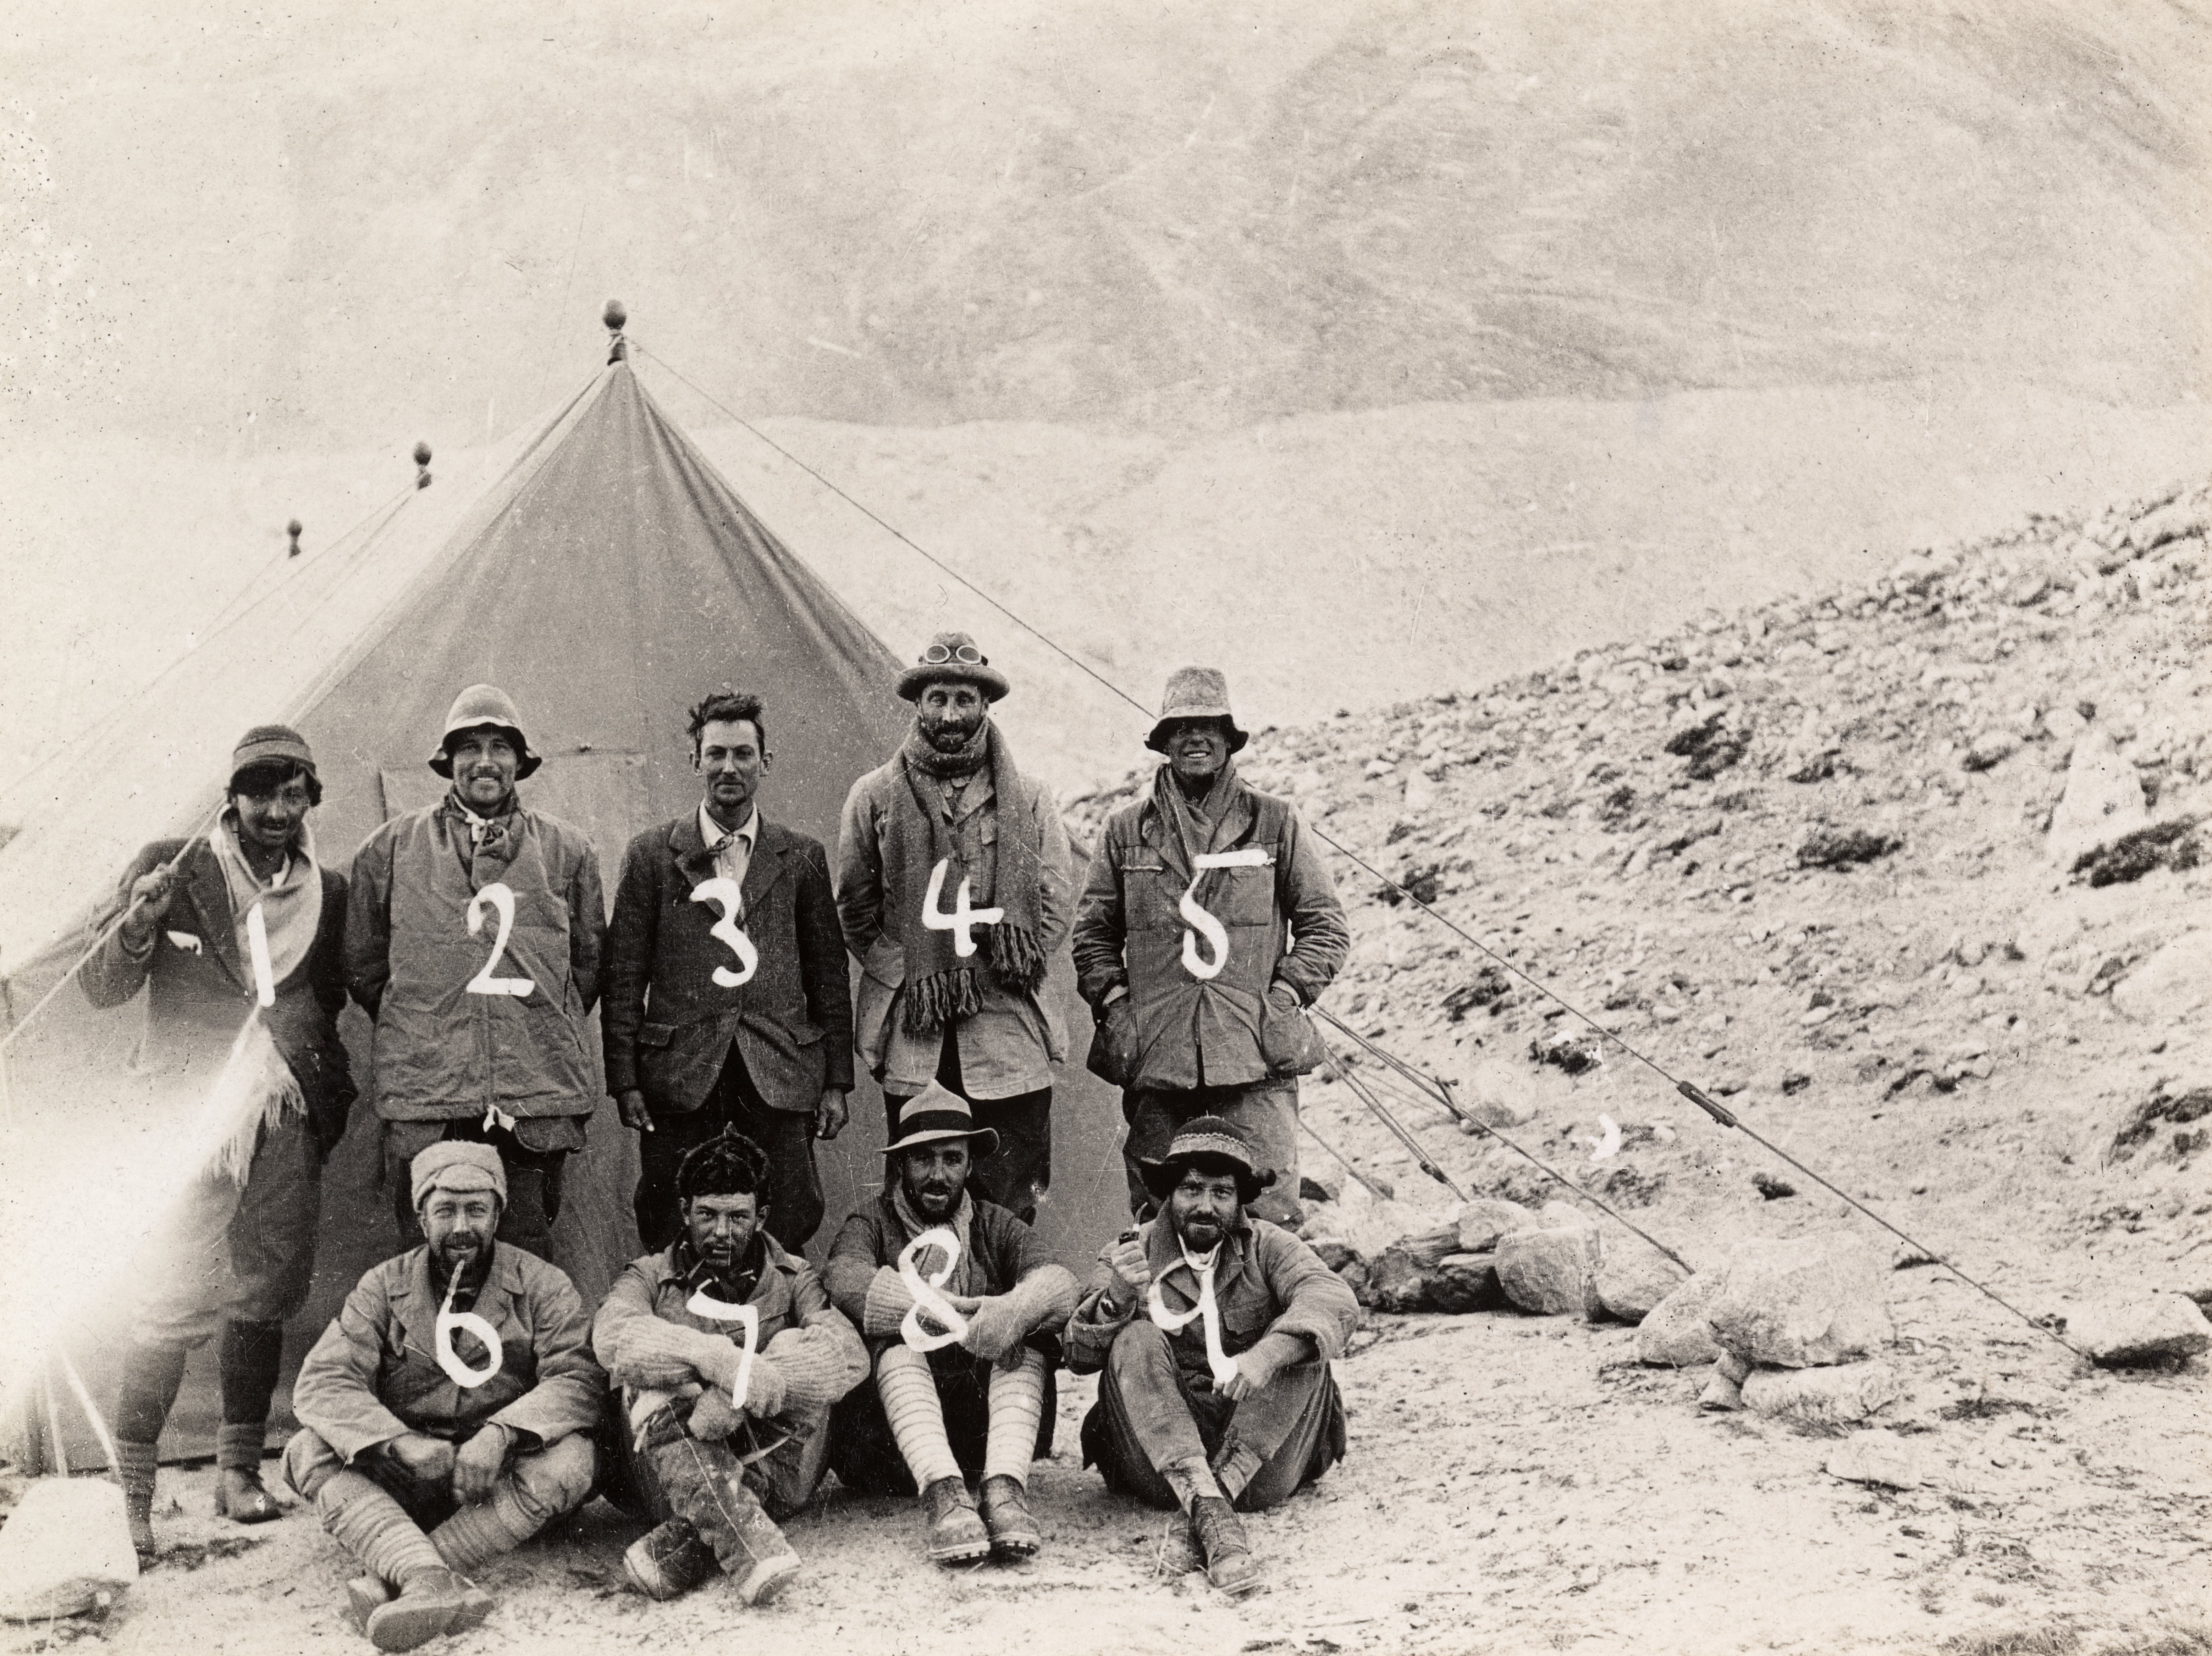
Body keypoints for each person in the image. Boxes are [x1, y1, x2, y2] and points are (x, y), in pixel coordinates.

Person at [80, 725, 356, 1557]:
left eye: (293, 794)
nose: (276, 811)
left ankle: (239, 1472)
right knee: (170, 1295)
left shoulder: (328, 890)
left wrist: (311, 1076)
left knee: (266, 1285)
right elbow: (100, 987)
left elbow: (330, 995)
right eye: (259, 794)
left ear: (310, 799)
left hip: (283, 1108)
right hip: (189, 1118)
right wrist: (138, 924)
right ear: (231, 800)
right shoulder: (176, 864)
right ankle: (134, 1490)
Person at [281, 1143, 603, 1652]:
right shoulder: (382, 1288)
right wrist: (398, 1443)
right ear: (420, 1216)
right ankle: (431, 1577)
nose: (461, 1227)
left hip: (498, 1479)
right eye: (445, 1210)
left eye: (476, 1209)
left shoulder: (543, 1284)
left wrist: (503, 1433)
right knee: (307, 1450)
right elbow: (324, 1380)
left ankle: (406, 1572)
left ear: (498, 1213)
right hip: (411, 1475)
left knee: (574, 1458)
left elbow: (579, 1379)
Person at [1071, 666, 1349, 1229]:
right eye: (1182, 726)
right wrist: (1118, 1007)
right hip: (1158, 1056)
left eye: (1210, 726)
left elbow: (1326, 925)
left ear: (1229, 738)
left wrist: (1285, 997)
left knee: (1266, 1211)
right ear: (1164, 740)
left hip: (1253, 1055)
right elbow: (1092, 934)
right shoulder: (1126, 831)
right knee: (1159, 1212)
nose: (1196, 738)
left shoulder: (1275, 822)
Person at [346, 683, 605, 1262]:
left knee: (525, 1253)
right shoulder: (389, 849)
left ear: (520, 761)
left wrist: (527, 1021)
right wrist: (430, 1017)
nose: (485, 761)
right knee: (426, 1256)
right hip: (429, 1089)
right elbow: (364, 968)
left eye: (499, 747)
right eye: (469, 747)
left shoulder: (568, 850)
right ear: (448, 761)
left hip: (532, 1088)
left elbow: (586, 967)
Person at [602, 691, 853, 1254]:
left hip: (777, 1070)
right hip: (680, 1074)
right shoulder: (650, 856)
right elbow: (624, 978)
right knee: (672, 1211)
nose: (729, 767)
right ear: (695, 761)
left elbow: (829, 977)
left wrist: (837, 1078)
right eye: (715, 754)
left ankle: (773, 1320)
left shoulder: (803, 857)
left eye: (744, 753)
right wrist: (626, 1081)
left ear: (766, 762)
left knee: (789, 1206)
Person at [1064, 1116, 1358, 1596]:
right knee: (1134, 1339)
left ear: (1241, 1199)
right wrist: (1118, 1295)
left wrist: (1265, 1356)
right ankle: (1212, 1510)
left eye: (1222, 1192)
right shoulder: (1130, 1251)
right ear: (1168, 1194)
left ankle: (1205, 1506)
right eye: (1192, 1189)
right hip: (1159, 1463)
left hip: (1262, 1460)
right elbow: (1075, 1352)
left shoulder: (1268, 1245)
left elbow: (1336, 1299)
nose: (1205, 1206)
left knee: (1304, 1345)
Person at [836, 631, 1073, 1222]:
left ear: (985, 705)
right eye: (937, 698)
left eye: (964, 699)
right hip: (918, 1032)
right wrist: (920, 967)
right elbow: (855, 908)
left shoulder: (1031, 797)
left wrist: (1000, 961)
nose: (950, 714)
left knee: (1011, 1201)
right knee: (920, 1201)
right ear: (918, 704)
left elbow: (1054, 901)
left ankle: (1010, 1314)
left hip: (1007, 1029)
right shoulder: (874, 795)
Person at [591, 1131, 867, 1606]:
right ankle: (750, 1547)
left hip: (776, 1470)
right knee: (649, 1379)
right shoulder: (648, 1274)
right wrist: (717, 1359)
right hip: (668, 1480)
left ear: (760, 1217)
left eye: (738, 1216)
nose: (721, 1231)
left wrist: (739, 1390)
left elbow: (847, 1352)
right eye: (707, 1215)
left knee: (799, 1345)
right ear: (684, 1212)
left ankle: (684, 1544)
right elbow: (613, 1336)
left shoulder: (793, 1275)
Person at [822, 1084, 1077, 1564]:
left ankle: (1003, 1489)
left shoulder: (993, 1222)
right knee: (893, 1338)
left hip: (986, 1425)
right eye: (923, 1159)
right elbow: (843, 1276)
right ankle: (944, 1493)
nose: (938, 1175)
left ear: (970, 1164)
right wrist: (935, 1313)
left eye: (952, 1159)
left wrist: (1010, 1312)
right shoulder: (872, 1221)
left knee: (1030, 1332)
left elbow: (1059, 1281)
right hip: (896, 1439)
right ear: (902, 1165)